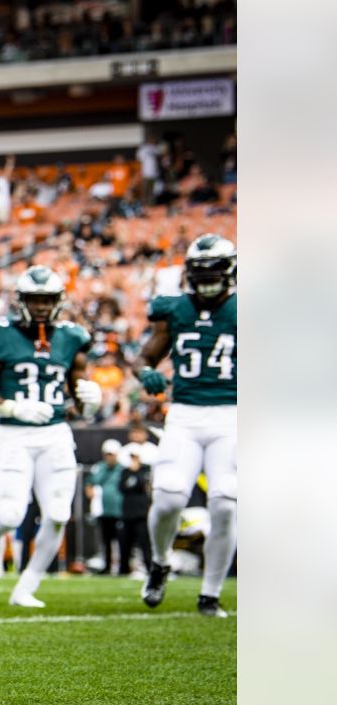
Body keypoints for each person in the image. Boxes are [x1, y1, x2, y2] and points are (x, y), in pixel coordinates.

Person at [0, 265, 100, 608]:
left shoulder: (73, 337)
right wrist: (14, 408)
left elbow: (78, 395)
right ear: (21, 301)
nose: (42, 306)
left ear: (58, 301)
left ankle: (26, 587)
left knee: (59, 513)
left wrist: (90, 402)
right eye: (35, 299)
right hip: (15, 433)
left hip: (56, 433)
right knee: (12, 514)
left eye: (47, 300)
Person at [135, 234, 237, 618]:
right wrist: (146, 373)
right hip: (186, 413)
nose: (207, 279)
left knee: (226, 503)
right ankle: (160, 562)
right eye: (201, 271)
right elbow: (146, 355)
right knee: (169, 497)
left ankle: (210, 594)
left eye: (214, 271)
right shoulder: (175, 309)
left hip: (233, 415)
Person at [87, 439, 125, 574]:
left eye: (112, 454)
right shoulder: (99, 468)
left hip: (119, 509)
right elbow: (90, 484)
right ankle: (107, 566)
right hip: (102, 510)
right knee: (105, 540)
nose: (110, 457)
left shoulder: (122, 469)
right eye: (107, 454)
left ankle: (122, 567)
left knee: (121, 540)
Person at [118, 452, 152, 575]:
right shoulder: (125, 472)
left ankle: (150, 570)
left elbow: (143, 485)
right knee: (125, 545)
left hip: (142, 514)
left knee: (145, 545)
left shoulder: (146, 470)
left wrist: (136, 478)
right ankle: (123, 571)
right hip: (127, 513)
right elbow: (122, 487)